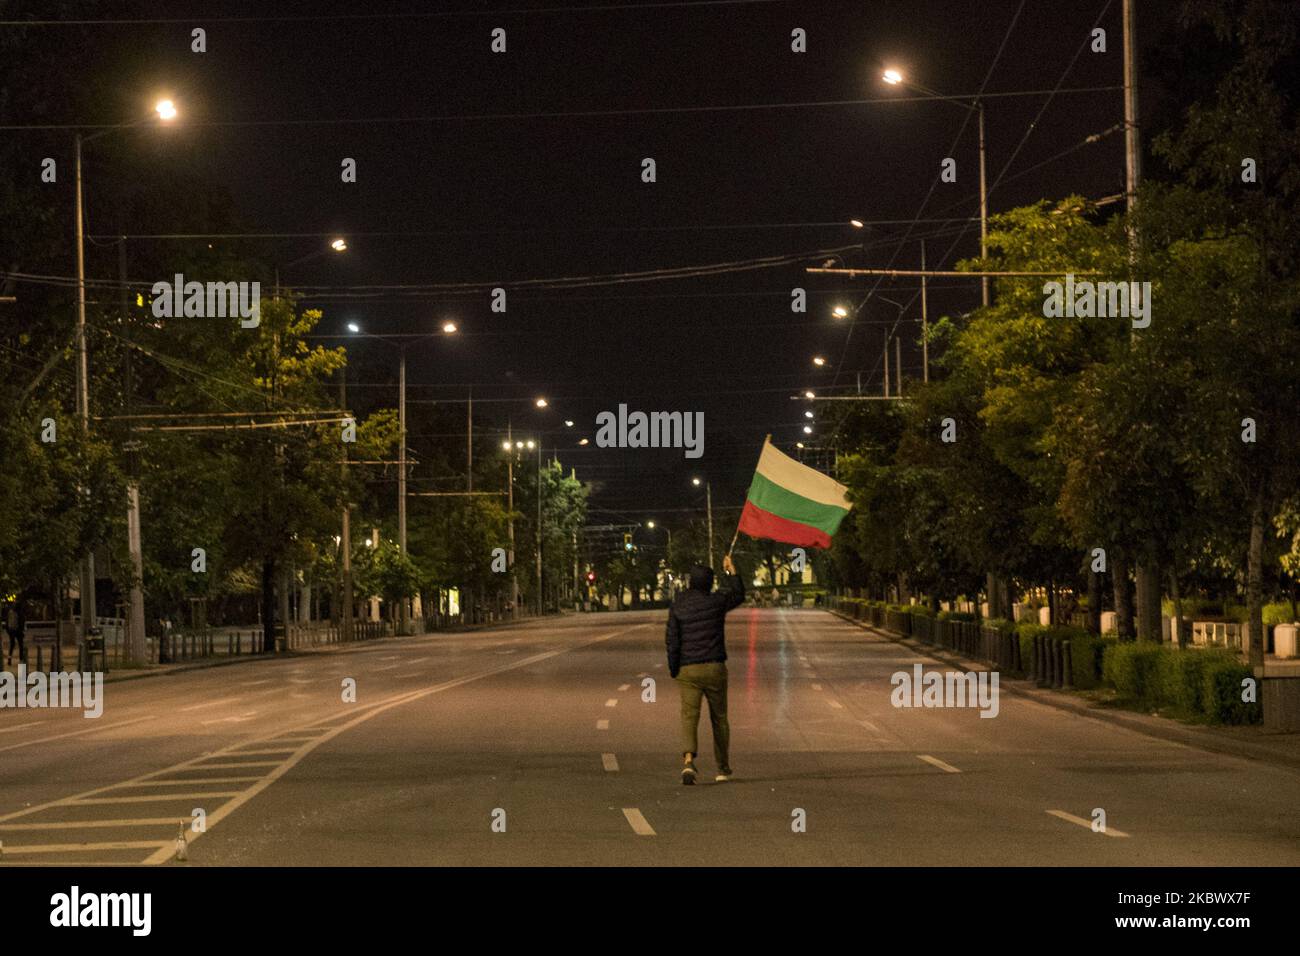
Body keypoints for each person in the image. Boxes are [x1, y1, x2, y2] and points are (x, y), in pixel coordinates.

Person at [665, 554, 745, 785]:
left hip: (688, 670)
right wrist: (731, 571)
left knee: (689, 717)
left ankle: (688, 761)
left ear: (691, 582)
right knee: (719, 718)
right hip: (714, 667)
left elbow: (672, 639)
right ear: (710, 583)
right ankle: (722, 768)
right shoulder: (716, 602)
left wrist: (674, 668)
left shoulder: (679, 604)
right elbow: (738, 595)